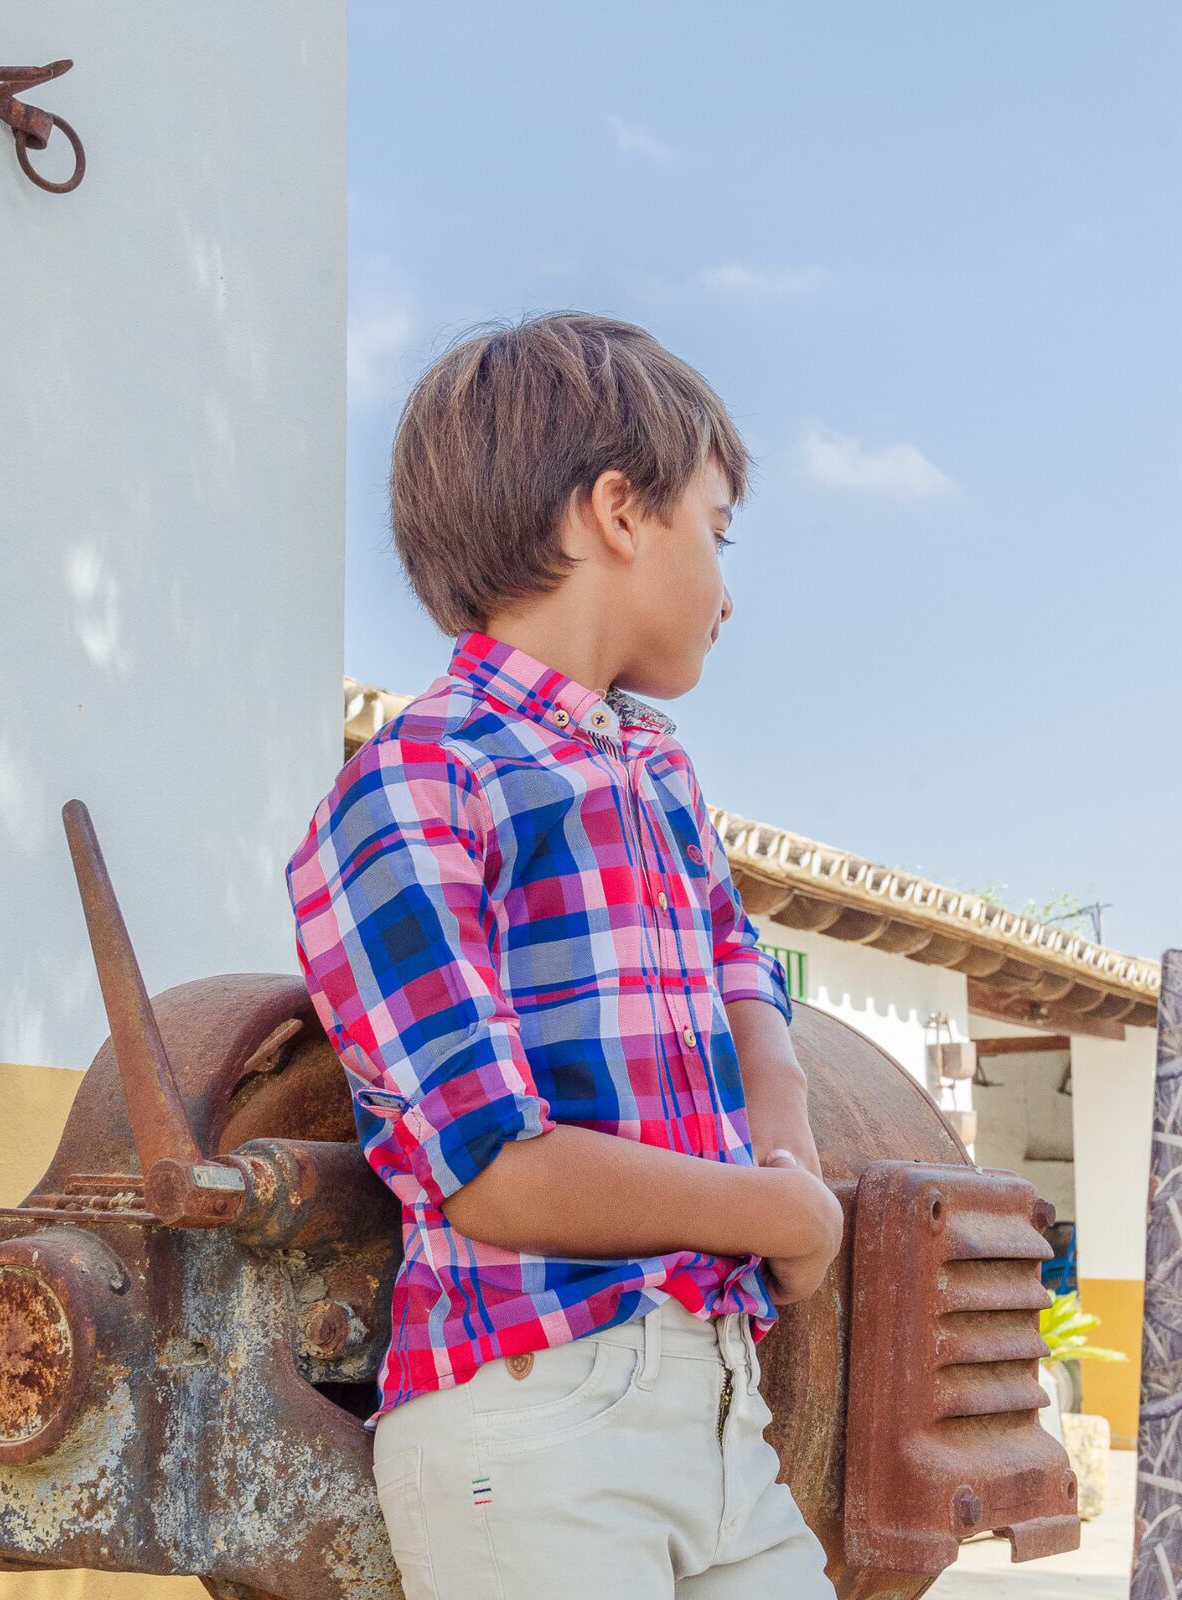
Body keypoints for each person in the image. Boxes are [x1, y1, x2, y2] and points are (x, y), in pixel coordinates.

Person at [286, 311, 843, 1598]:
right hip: (528, 1424)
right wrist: (768, 1211)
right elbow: (491, 1169)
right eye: (717, 528)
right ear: (615, 511)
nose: (729, 578)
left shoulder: (657, 772)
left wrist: (792, 1133)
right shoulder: (418, 781)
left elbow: (742, 973)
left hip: (715, 1411)